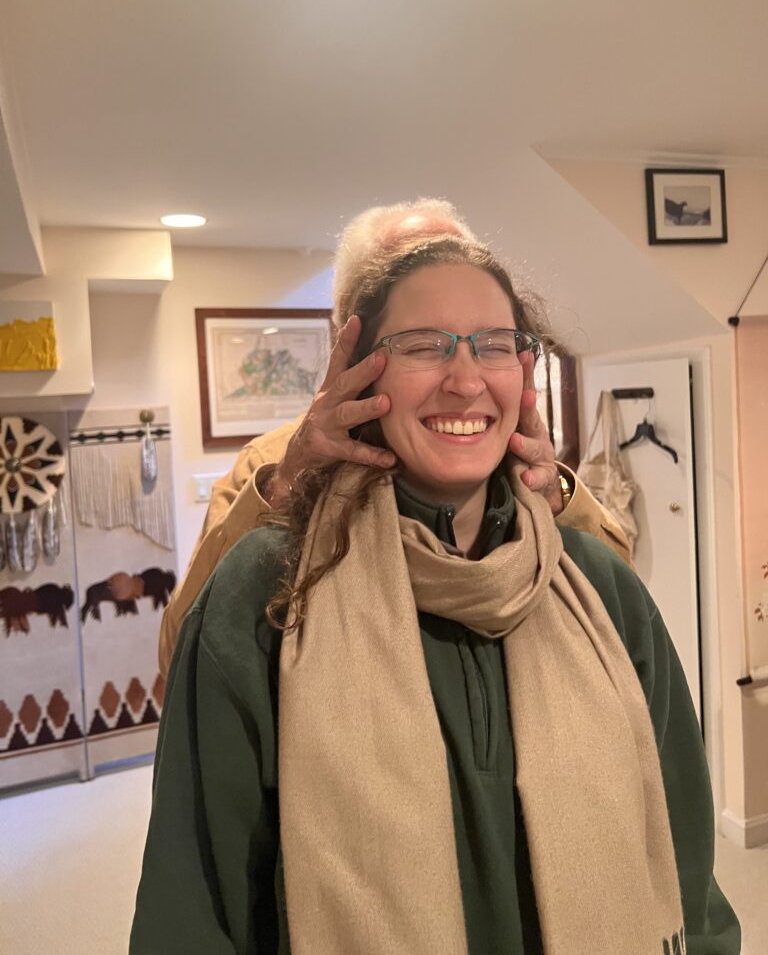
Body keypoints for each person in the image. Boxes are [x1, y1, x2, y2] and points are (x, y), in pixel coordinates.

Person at [132, 227, 739, 954]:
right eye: (424, 344)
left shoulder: (595, 584)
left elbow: (686, 867)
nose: (464, 380)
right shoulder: (270, 588)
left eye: (491, 345)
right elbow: (193, 907)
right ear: (357, 374)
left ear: (523, 373)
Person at [158, 199, 630, 677]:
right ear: (351, 331)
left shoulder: (512, 454)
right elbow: (187, 650)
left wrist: (557, 499)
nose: (464, 383)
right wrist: (289, 485)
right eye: (422, 340)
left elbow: (620, 602)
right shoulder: (271, 461)